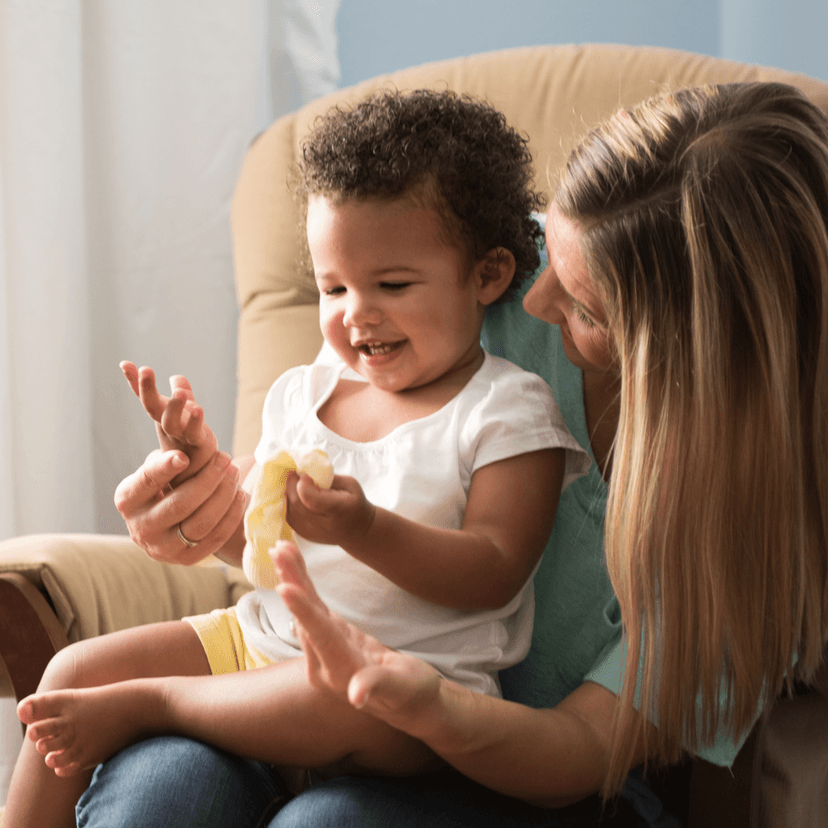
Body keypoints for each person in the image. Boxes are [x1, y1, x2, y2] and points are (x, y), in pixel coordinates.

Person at [68, 80, 828, 828]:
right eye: (546, 251)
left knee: (332, 824)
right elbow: (300, 512)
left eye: (585, 307)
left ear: (688, 360)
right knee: (161, 795)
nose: (531, 300)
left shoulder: (752, 545)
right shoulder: (463, 268)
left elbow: (580, 748)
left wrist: (427, 703)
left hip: (522, 775)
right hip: (300, 682)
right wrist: (204, 509)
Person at [4, 90, 592, 828]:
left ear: (489, 276)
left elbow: (494, 568)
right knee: (69, 674)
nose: (355, 314)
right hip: (263, 642)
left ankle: (152, 705)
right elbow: (255, 547)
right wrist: (201, 477)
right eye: (333, 286)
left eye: (392, 285)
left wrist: (364, 529)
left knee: (337, 695)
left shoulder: (508, 410)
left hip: (398, 688)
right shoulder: (305, 392)